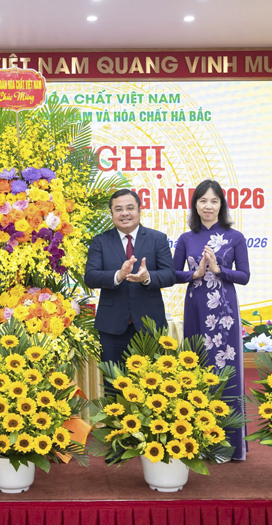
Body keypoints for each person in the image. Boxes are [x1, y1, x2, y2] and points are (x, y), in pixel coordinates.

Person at [172, 179, 250, 461]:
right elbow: (171, 274)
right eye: (203, 200)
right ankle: (198, 442)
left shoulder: (235, 237)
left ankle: (228, 445)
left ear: (221, 205)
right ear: (195, 205)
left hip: (224, 312)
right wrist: (193, 274)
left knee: (225, 370)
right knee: (197, 367)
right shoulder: (186, 238)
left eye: (214, 201)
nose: (208, 206)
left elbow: (244, 276)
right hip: (195, 308)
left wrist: (219, 270)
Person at [84, 189, 176, 395]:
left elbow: (170, 275)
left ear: (140, 210)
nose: (124, 213)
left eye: (129, 208)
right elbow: (90, 276)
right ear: (111, 213)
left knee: (152, 390)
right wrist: (118, 275)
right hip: (112, 328)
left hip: (150, 327)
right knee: (114, 389)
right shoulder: (100, 241)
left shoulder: (157, 239)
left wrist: (147, 277)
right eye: (118, 209)